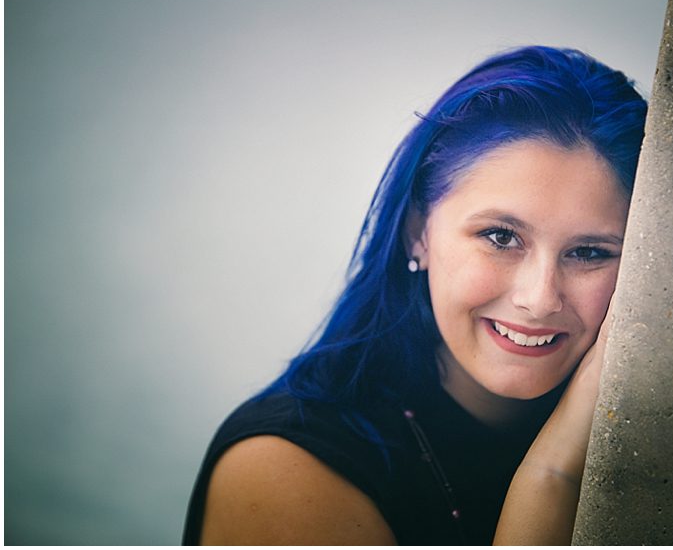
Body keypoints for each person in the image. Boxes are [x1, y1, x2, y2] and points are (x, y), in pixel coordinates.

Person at [181, 46, 647, 544]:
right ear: (417, 232)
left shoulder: (667, 437)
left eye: (590, 252)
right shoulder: (282, 470)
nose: (539, 299)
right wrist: (551, 477)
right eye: (500, 237)